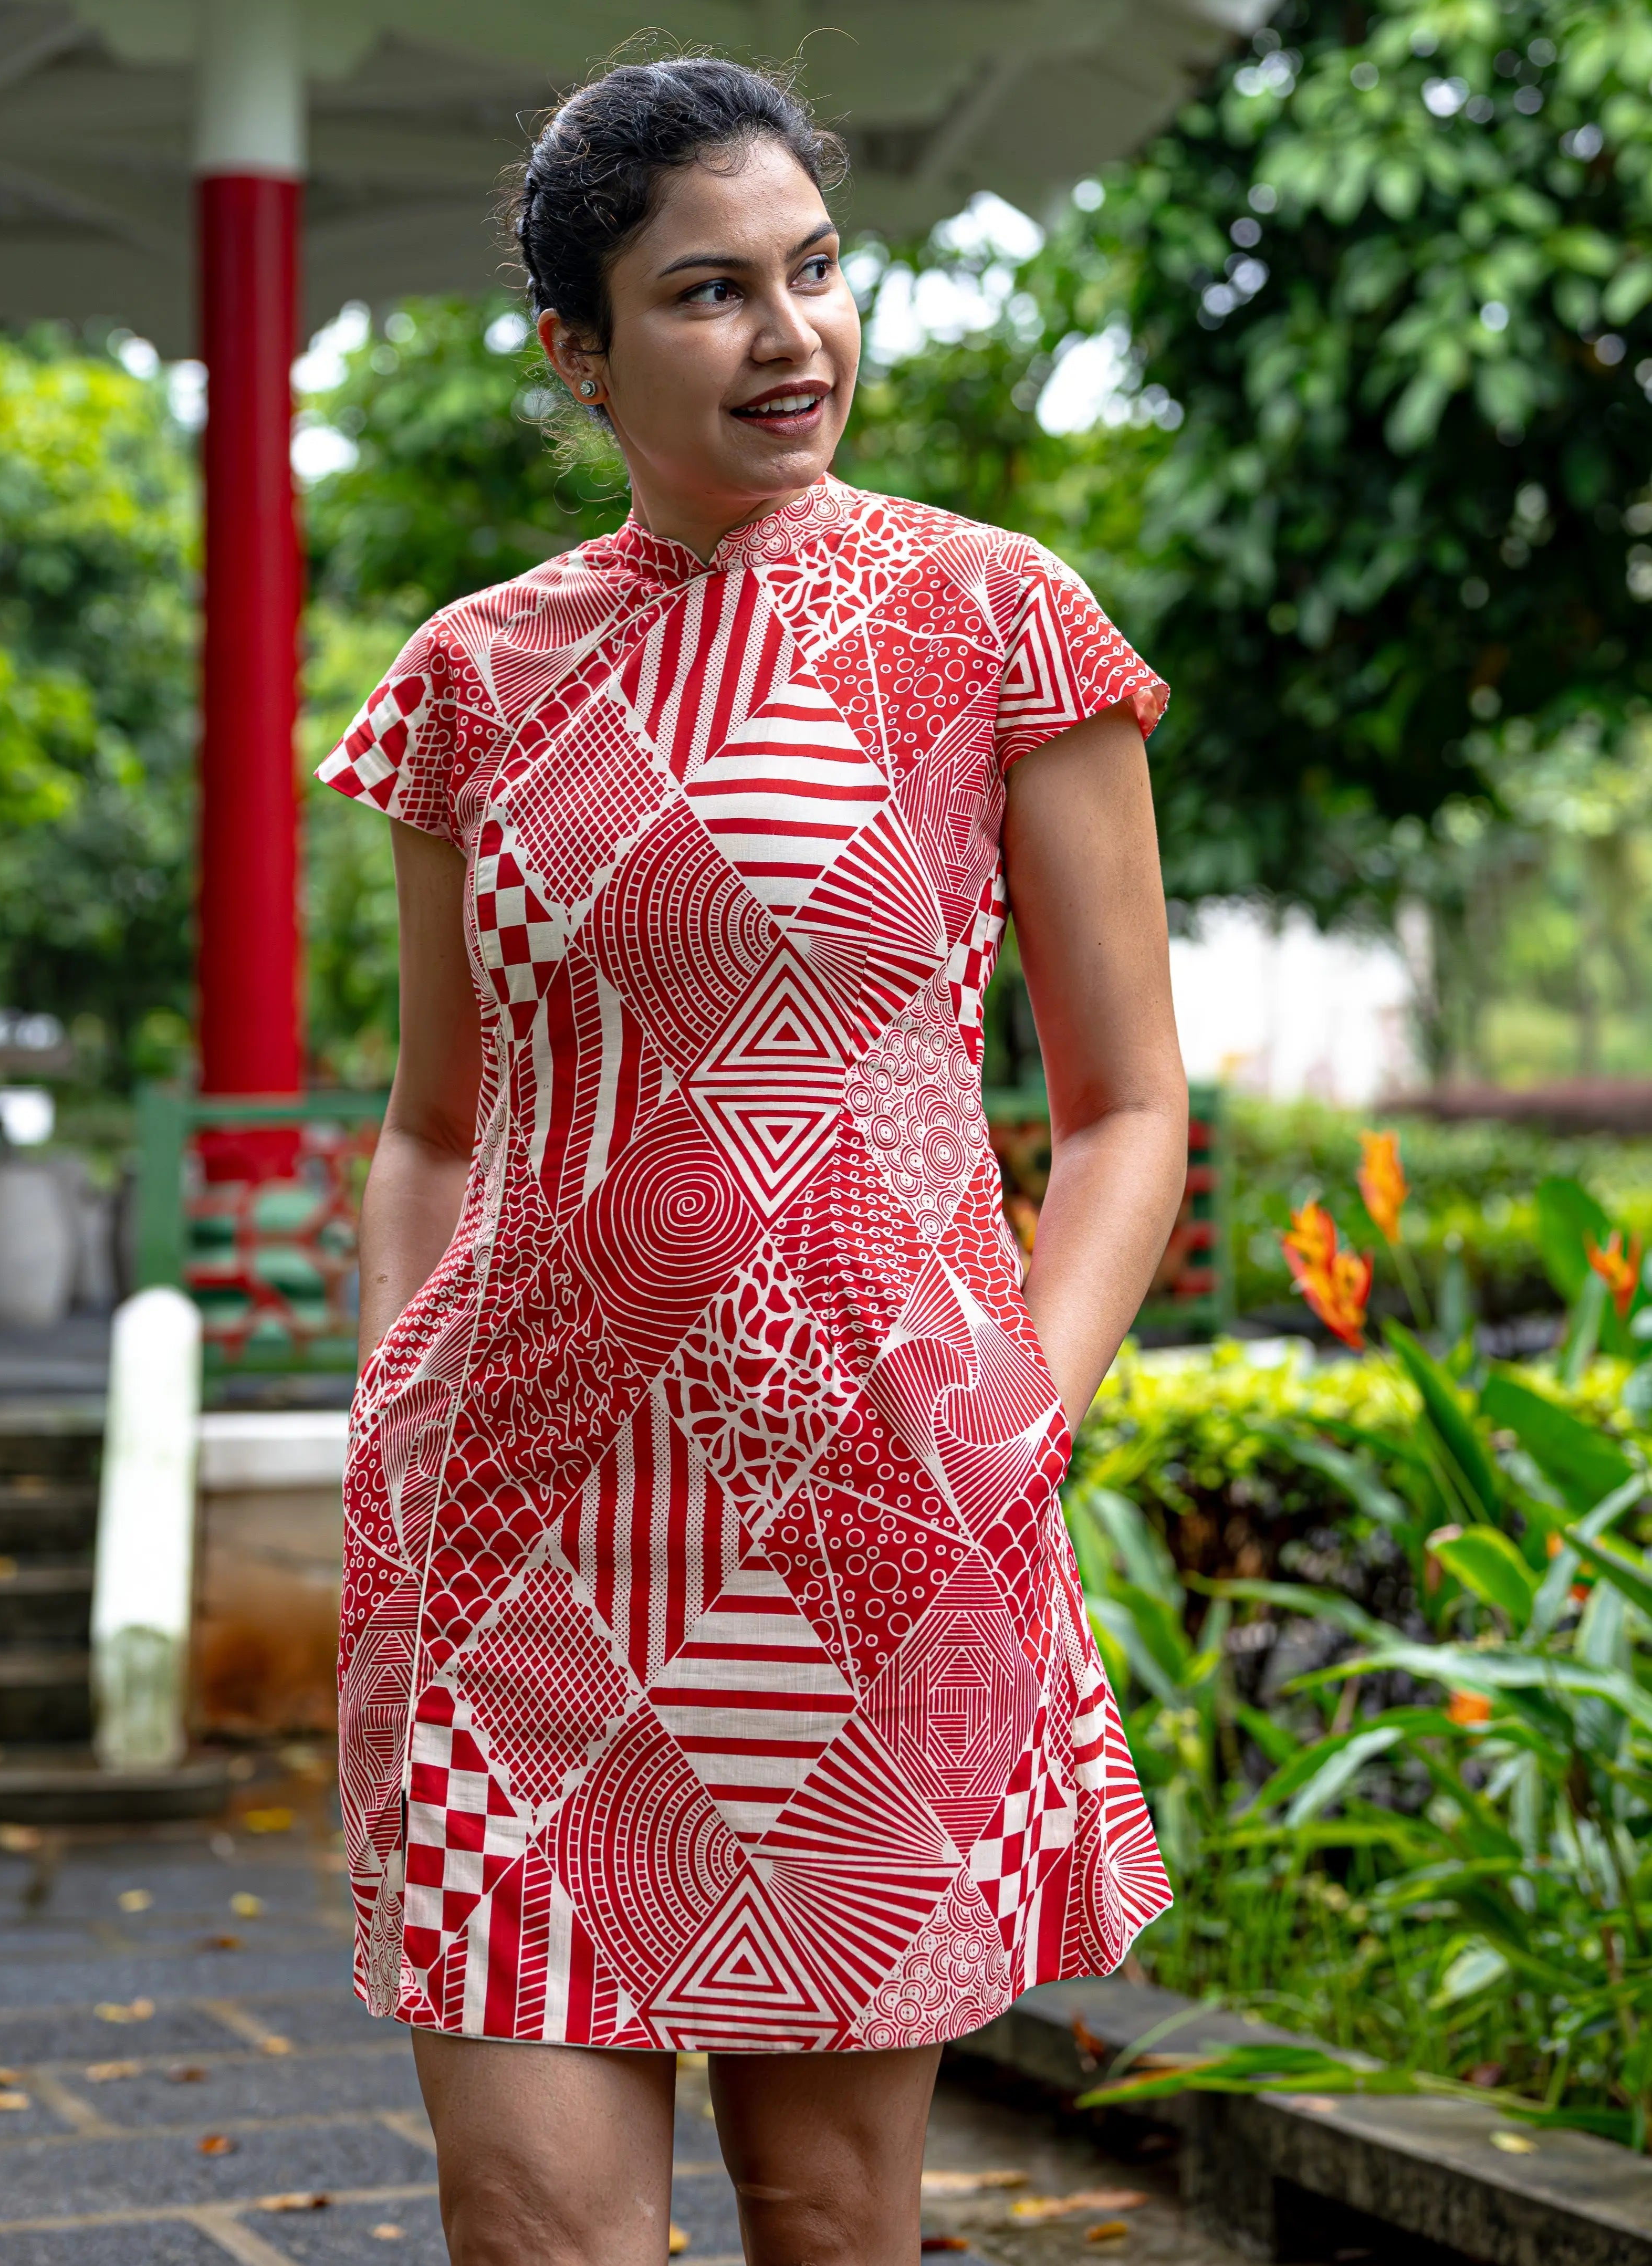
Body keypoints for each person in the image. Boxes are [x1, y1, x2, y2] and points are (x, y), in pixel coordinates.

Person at [317, 53, 1188, 2266]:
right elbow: (434, 1123)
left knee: (824, 2206)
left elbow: (1126, 1105)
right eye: (709, 292)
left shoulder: (994, 619)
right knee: (532, 2223)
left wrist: (1016, 1409)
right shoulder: (471, 679)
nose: (791, 335)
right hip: (511, 1542)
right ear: (577, 349)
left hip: (873, 1516)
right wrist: (395, 1399)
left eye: (814, 270)